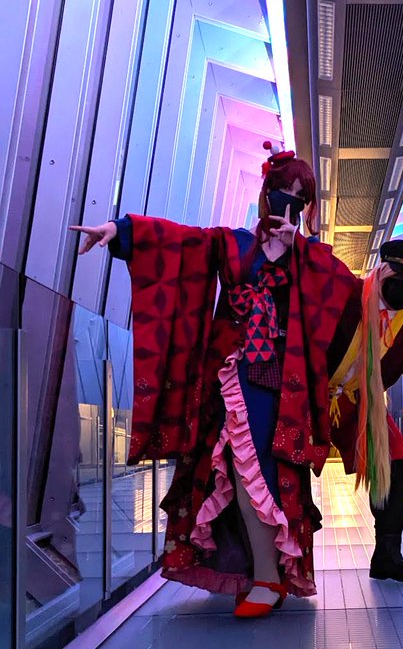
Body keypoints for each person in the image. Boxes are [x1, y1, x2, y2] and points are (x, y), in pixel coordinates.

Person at [70, 143, 360, 617]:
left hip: (280, 387)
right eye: (282, 190)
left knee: (258, 475)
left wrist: (298, 250)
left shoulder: (307, 255)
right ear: (266, 193)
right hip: (229, 377)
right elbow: (180, 245)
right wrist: (121, 232)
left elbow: (344, 288)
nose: (290, 201)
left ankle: (268, 577)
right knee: (231, 473)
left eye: (300, 196)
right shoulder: (233, 243)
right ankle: (258, 575)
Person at [328, 239, 403, 583]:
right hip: (308, 393)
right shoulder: (346, 294)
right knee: (279, 461)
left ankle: (387, 555)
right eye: (398, 275)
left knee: (394, 456)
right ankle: (269, 562)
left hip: (358, 403)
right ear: (381, 270)